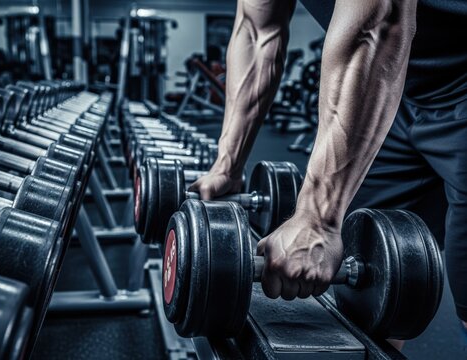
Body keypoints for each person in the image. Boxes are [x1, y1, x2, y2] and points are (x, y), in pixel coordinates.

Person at [188, 0, 467, 347]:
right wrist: (227, 165)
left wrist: (316, 219)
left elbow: (377, 21)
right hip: (394, 89)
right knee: (376, 290)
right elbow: (257, 30)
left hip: (438, 75)